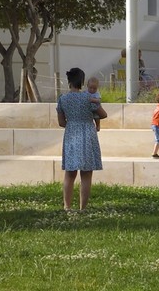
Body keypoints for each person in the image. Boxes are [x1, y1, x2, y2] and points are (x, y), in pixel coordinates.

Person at [56, 67, 103, 211]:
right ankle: (83, 208)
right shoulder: (88, 98)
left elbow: (61, 122)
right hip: (88, 134)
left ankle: (67, 206)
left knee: (70, 173)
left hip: (71, 134)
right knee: (86, 174)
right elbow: (103, 114)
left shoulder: (63, 99)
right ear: (82, 82)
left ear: (69, 81)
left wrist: (73, 123)